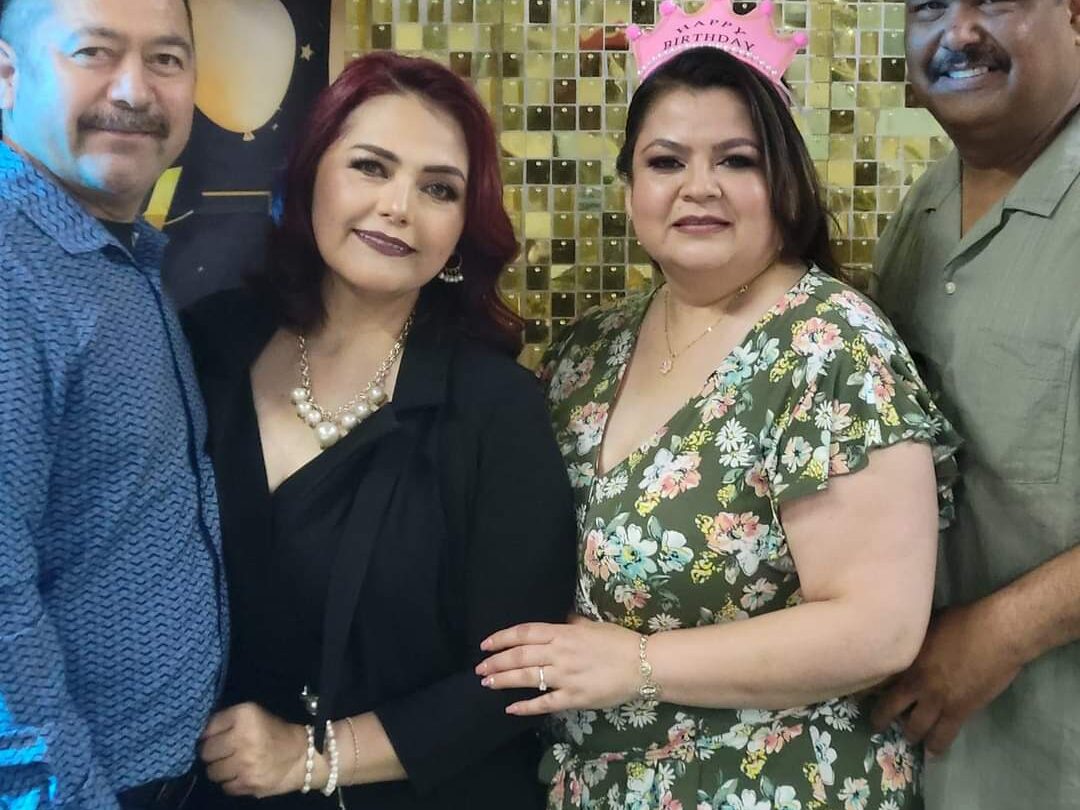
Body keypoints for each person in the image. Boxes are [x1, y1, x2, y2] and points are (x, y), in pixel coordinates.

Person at [477, 2, 961, 806]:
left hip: (777, 784)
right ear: (631, 187)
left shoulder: (829, 345)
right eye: (666, 161)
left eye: (737, 160)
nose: (698, 187)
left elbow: (879, 629)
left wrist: (638, 665)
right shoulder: (589, 350)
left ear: (784, 183)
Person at [181, 51, 577, 810]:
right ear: (311, 176)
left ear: (463, 228)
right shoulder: (210, 344)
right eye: (370, 166)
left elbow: (520, 672)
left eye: (438, 188)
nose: (399, 206)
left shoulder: (496, 409)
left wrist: (313, 756)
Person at [0, 0, 225, 809]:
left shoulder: (108, 252)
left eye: (166, 59)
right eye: (94, 52)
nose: (134, 90)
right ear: (6, 74)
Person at [871, 0, 1080, 806]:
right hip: (935, 756)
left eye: (994, 1)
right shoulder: (923, 208)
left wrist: (1006, 629)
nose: (957, 33)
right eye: (929, 7)